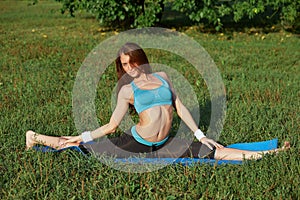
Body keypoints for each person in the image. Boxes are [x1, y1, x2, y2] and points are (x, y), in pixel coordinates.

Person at [26, 42, 290, 161]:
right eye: (123, 64)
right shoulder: (126, 91)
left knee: (212, 151)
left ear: (141, 58)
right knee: (78, 146)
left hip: (165, 143)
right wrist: (82, 136)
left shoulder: (163, 76)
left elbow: (179, 106)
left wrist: (199, 134)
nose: (128, 68)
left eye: (131, 62)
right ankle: (35, 137)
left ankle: (270, 154)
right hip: (134, 143)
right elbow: (110, 126)